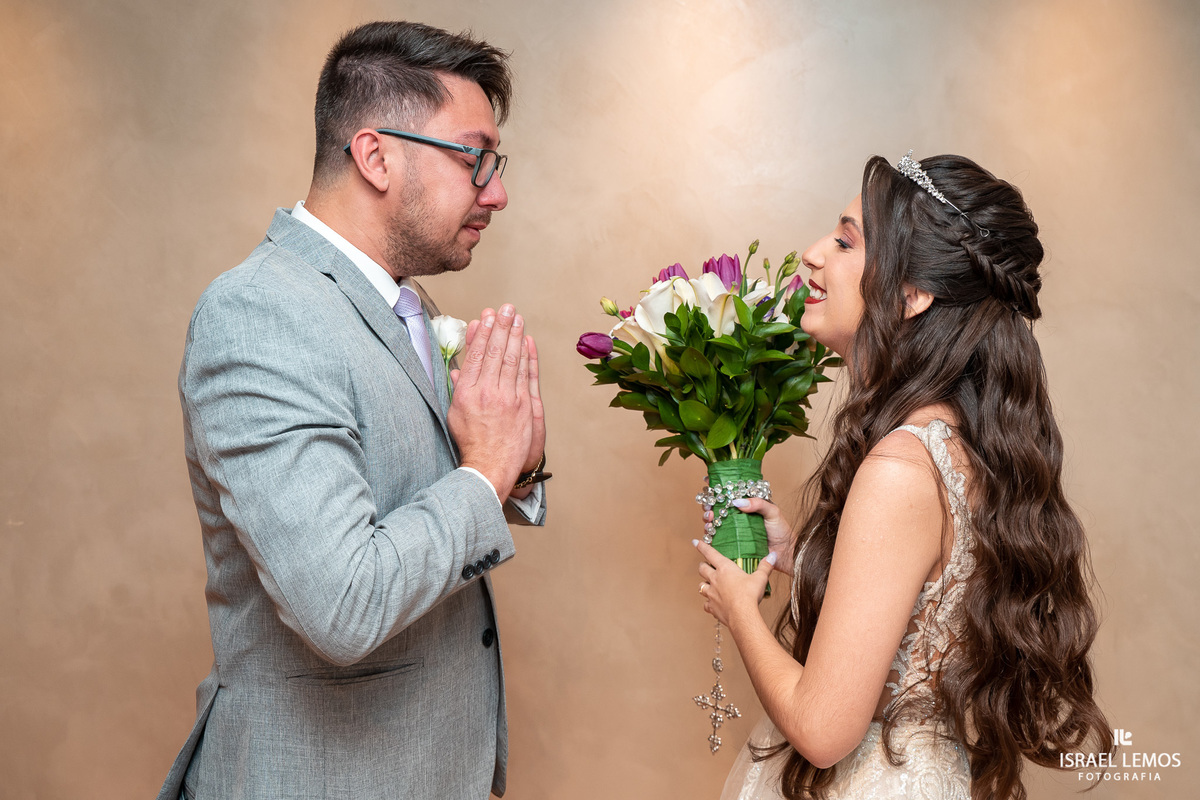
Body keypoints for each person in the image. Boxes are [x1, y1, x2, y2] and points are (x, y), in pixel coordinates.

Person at [156, 21, 548, 800]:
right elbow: (344, 603)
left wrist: (517, 459)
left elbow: (420, 483)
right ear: (375, 156)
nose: (496, 191)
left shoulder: (401, 303)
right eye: (476, 158)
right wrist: (485, 471)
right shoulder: (260, 313)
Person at [698, 153, 1110, 800]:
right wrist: (798, 554)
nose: (811, 255)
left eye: (844, 241)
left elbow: (823, 728)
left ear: (911, 295)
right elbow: (924, 594)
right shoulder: (950, 438)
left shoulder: (899, 466)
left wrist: (739, 607)